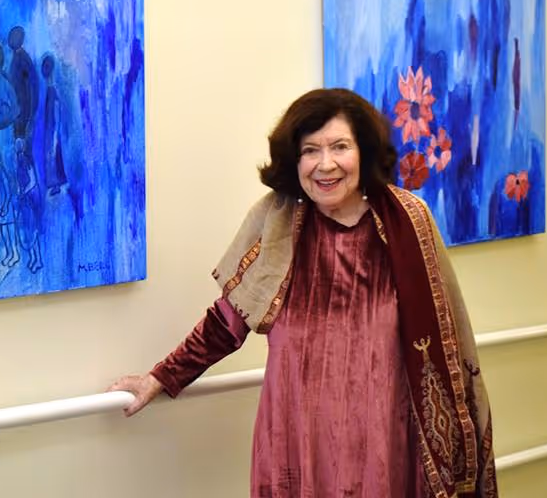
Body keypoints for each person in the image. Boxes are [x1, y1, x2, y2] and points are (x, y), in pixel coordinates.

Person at [108, 88, 497, 498]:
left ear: (362, 151)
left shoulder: (408, 221)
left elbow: (446, 335)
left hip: (384, 439)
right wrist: (161, 377)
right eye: (310, 150)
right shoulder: (276, 224)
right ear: (294, 160)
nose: (325, 164)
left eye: (340, 147)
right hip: (296, 438)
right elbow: (228, 321)